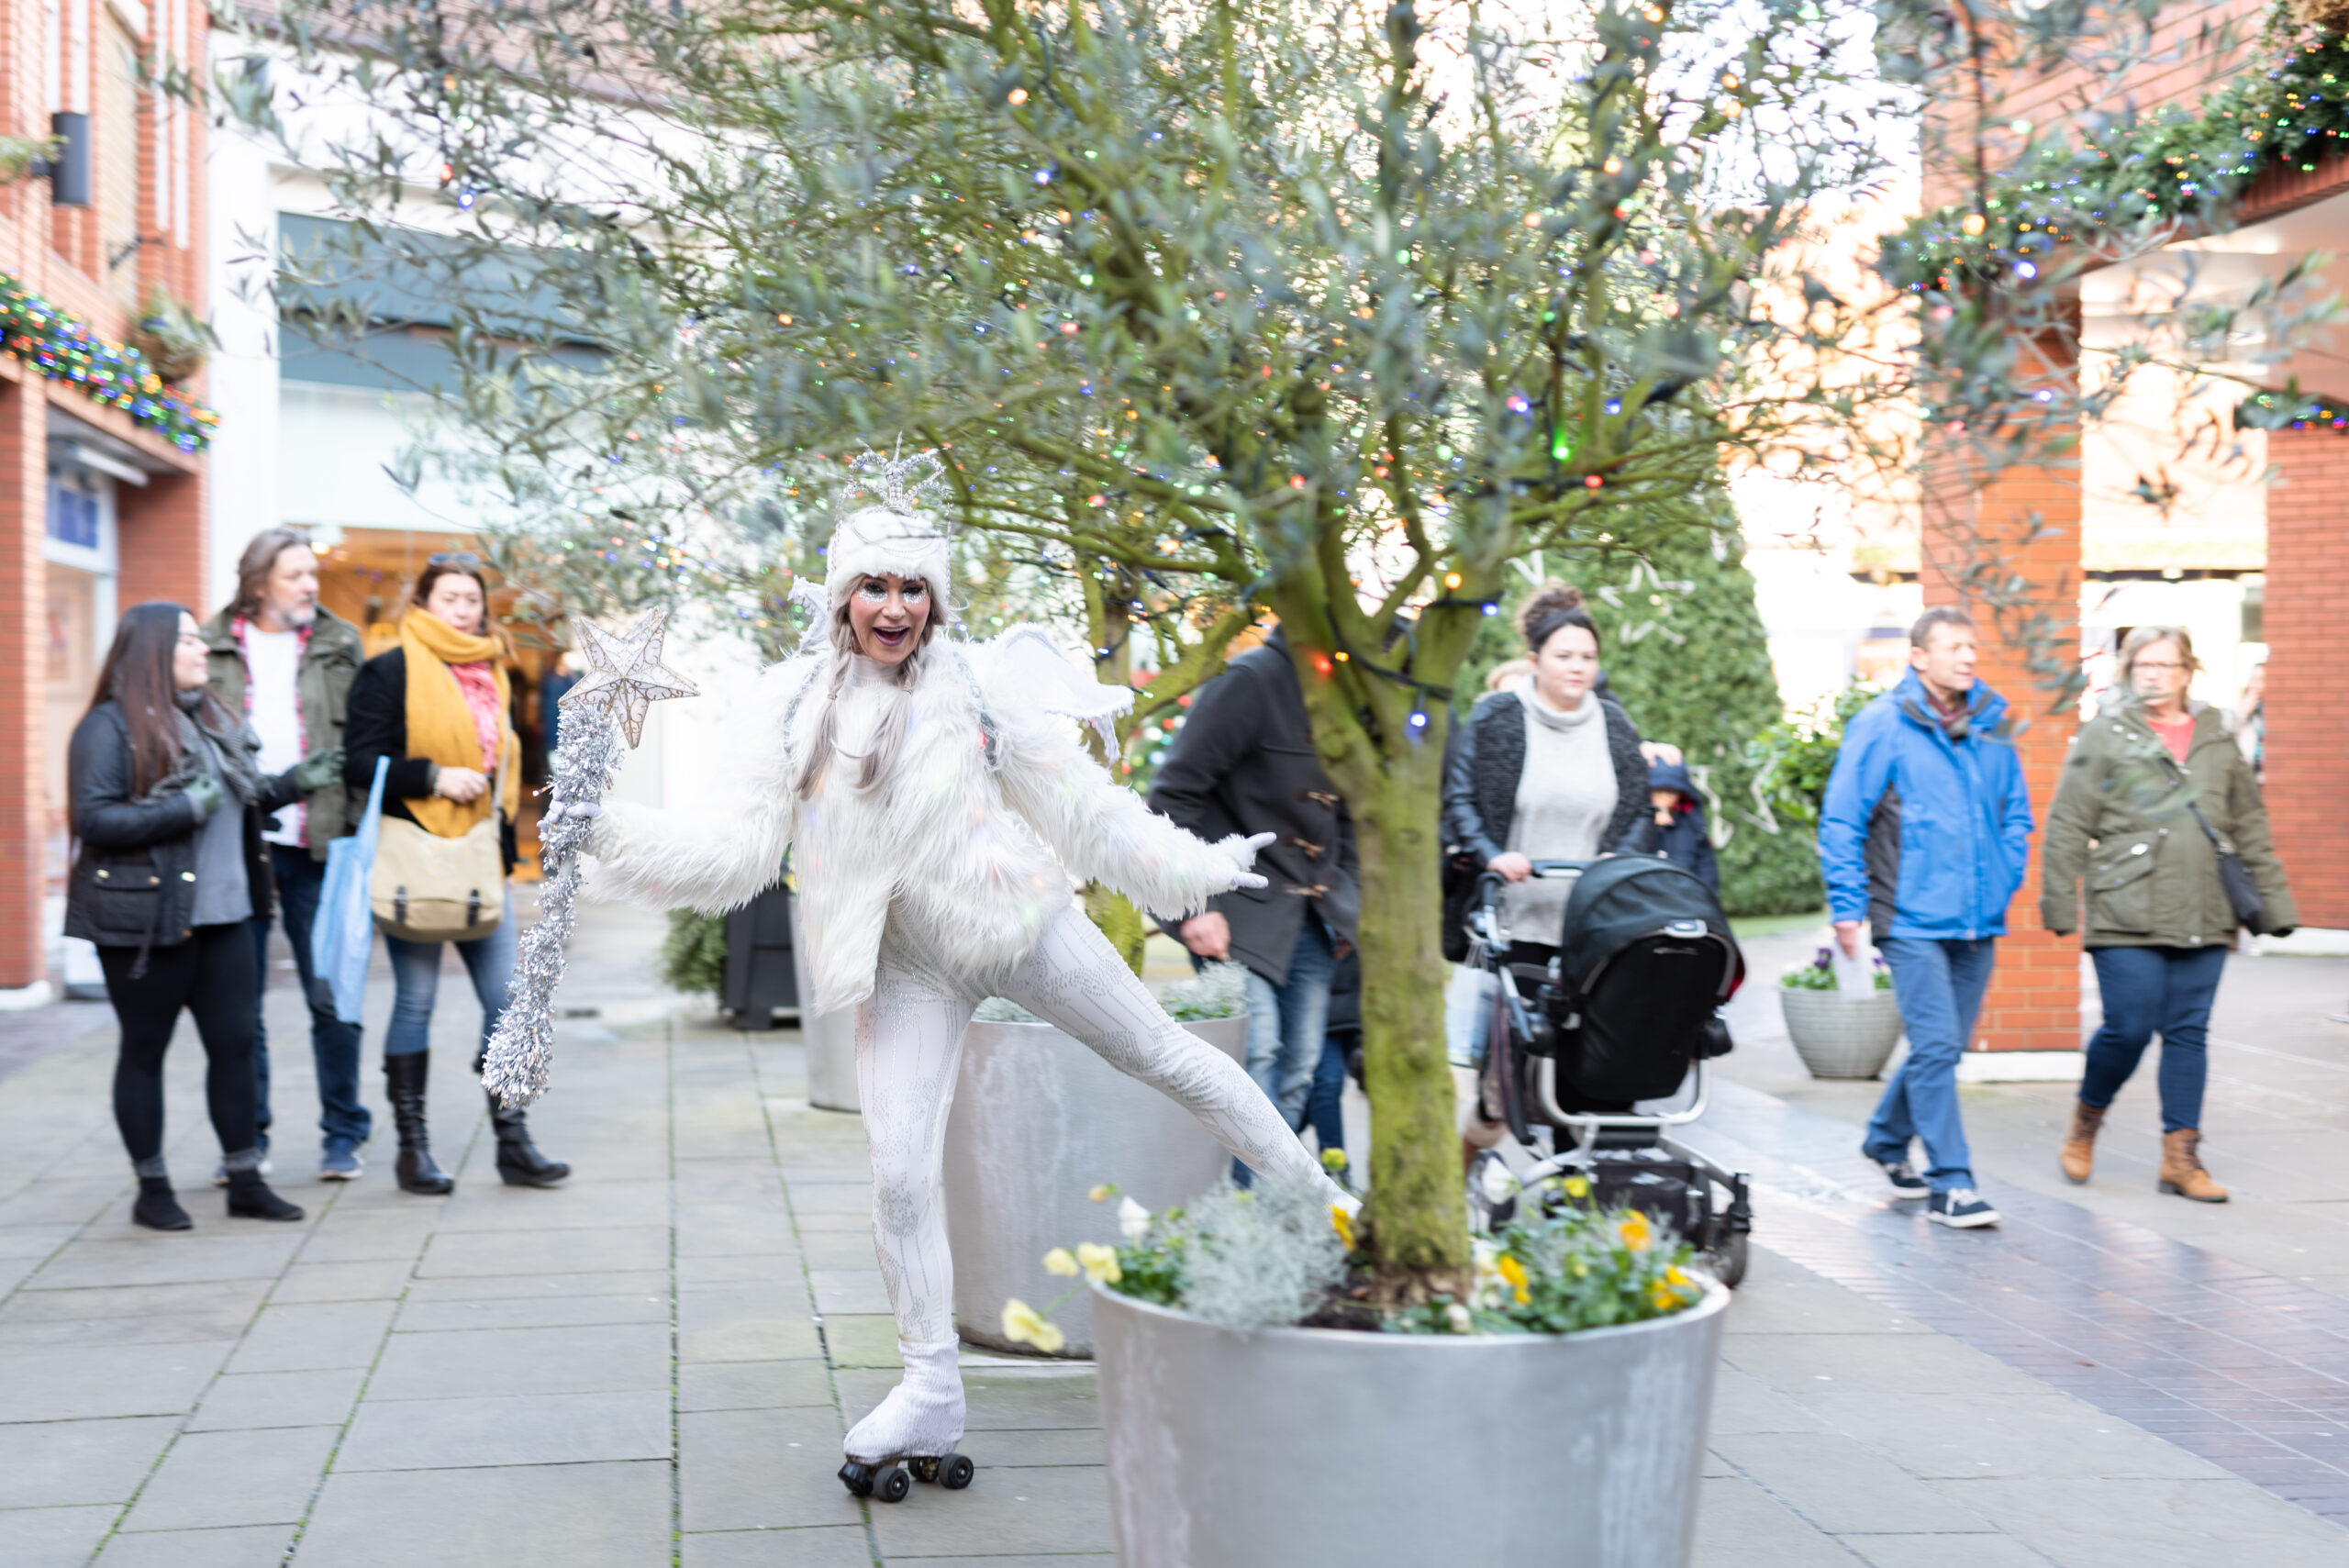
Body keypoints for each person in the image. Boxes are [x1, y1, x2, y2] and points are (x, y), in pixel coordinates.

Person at [568, 474, 1354, 1480]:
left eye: (912, 586)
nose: (893, 606)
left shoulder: (979, 687)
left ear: (934, 598)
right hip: (903, 963)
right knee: (896, 1174)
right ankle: (930, 1385)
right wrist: (604, 827)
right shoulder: (787, 708)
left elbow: (1086, 808)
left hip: (1021, 921)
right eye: (873, 585)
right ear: (841, 595)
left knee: (1165, 1052)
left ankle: (1320, 1209)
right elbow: (734, 850)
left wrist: (1197, 866)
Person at [67, 604, 323, 1229]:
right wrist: (182, 809)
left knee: (235, 1047)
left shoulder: (213, 718)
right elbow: (93, 818)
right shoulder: (108, 727)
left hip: (228, 916)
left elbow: (238, 797)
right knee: (145, 1049)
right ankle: (152, 1188)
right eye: (186, 639)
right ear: (152, 650)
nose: (201, 647)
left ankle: (244, 1178)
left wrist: (293, 783)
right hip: (146, 924)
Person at [2041, 626, 2295, 1203]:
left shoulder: (2216, 739)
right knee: (2128, 1027)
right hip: (2124, 908)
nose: (2153, 674)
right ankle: (2087, 1121)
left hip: (2205, 907)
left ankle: (2181, 1157)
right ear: (2129, 673)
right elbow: (2067, 824)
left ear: (2187, 672)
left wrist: (2274, 906)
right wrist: (2058, 900)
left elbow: (2249, 828)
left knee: (2188, 1032)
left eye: (2166, 664)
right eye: (2142, 665)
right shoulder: (2104, 736)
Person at [343, 556, 569, 1195]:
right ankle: (413, 1150)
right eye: (450, 597)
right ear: (423, 602)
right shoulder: (388, 668)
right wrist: (433, 776)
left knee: (507, 1003)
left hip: (478, 864)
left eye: (472, 599)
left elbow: (501, 772)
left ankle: (512, 1139)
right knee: (415, 999)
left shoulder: (492, 672)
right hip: (417, 859)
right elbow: (358, 760)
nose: (464, 609)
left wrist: (503, 854)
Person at [1820, 606, 2033, 1229]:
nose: (1967, 657)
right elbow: (1841, 820)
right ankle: (1953, 1181)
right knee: (1937, 1044)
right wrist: (1847, 907)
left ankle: (1887, 1138)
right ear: (1919, 657)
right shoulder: (1882, 725)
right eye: (1952, 647)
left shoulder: (1993, 725)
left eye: (1973, 646)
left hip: (1978, 917)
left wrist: (2005, 871)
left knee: (1943, 1047)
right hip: (1910, 916)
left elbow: (2015, 813)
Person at [1442, 584, 1652, 1162]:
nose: (1577, 668)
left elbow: (1637, 809)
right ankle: (1469, 1158)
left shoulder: (1613, 723)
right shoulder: (1499, 718)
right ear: (1534, 660)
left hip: (1592, 927)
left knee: (1588, 1068)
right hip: (1519, 925)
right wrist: (1491, 853)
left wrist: (1616, 860)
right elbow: (1459, 800)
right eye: (1564, 656)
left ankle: (1576, 1185)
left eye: (1587, 657)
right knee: (1514, 1073)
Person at [1146, 626, 1359, 1176]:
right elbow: (1170, 798)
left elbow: (1356, 820)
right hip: (1235, 912)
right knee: (1254, 1059)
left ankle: (1264, 1213)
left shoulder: (1349, 689)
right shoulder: (1251, 680)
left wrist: (1348, 909)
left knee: (1298, 1072)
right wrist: (1192, 909)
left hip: (1313, 922)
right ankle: (1236, 1220)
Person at [203, 528, 365, 1182]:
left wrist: (356, 831)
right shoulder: (210, 642)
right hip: (238, 844)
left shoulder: (338, 641)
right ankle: (248, 1140)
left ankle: (343, 1134)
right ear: (259, 579)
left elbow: (361, 741)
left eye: (312, 574)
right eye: (295, 574)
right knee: (241, 1006)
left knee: (330, 994)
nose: (309, 585)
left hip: (317, 842)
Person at [1638, 758, 1720, 895]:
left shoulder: (1692, 823)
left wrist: (1709, 899)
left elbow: (1706, 866)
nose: (1664, 797)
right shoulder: (1637, 822)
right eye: (1658, 791)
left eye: (1670, 792)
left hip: (1684, 897)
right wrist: (1649, 823)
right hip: (1647, 898)